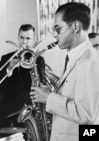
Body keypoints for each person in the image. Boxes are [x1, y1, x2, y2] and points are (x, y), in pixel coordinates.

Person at [30, 2, 99, 141]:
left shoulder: (89, 62)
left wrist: (49, 98)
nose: (55, 35)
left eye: (58, 29)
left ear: (75, 27)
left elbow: (86, 114)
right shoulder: (76, 57)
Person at [0, 24, 45, 128]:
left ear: (34, 40)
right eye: (21, 37)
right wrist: (9, 69)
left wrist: (32, 67)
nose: (24, 42)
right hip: (7, 113)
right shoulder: (6, 58)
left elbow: (40, 85)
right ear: (18, 37)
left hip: (28, 113)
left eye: (28, 38)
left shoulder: (38, 60)